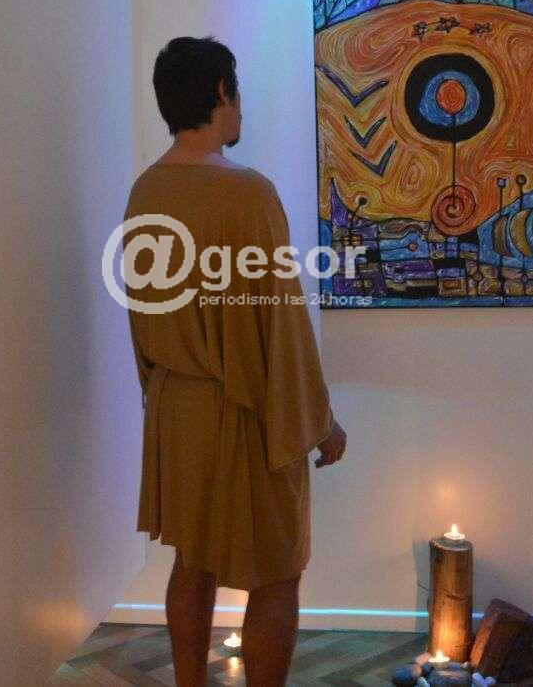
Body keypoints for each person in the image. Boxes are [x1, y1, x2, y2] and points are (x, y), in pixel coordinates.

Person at [121, 36, 347, 686]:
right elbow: (281, 321)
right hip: (246, 409)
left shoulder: (145, 191)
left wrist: (159, 393)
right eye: (238, 92)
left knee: (191, 562)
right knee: (276, 573)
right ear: (222, 91)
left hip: (176, 406)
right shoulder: (247, 193)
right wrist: (319, 422)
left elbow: (140, 309)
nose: (242, 108)